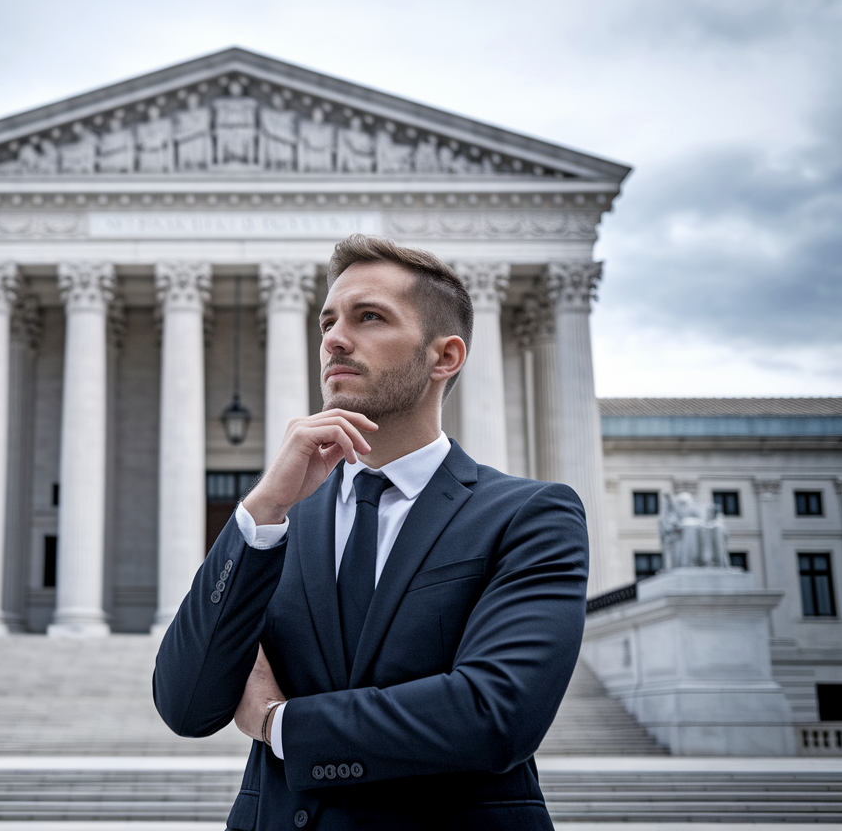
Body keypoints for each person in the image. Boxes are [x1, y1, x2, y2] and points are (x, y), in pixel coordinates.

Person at [154, 234, 589, 830]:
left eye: (370, 317)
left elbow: (495, 715)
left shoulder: (529, 515)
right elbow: (185, 705)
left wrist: (282, 725)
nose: (334, 338)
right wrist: (260, 509)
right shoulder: (278, 525)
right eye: (328, 320)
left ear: (445, 357)